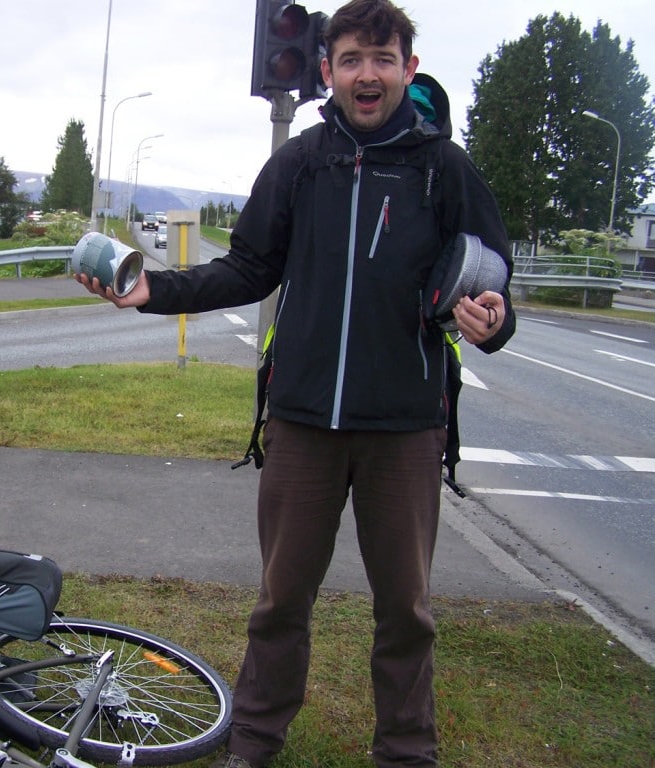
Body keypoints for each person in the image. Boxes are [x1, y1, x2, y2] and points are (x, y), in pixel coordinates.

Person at [76, 0, 516, 765]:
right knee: (281, 602)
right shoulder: (299, 163)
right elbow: (247, 267)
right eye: (351, 59)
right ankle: (254, 738)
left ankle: (407, 751)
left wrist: (494, 321)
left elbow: (494, 280)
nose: (367, 74)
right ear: (327, 72)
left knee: (405, 611)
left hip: (406, 428)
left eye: (383, 59)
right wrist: (156, 291)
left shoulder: (445, 169)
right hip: (304, 421)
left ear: (408, 71)